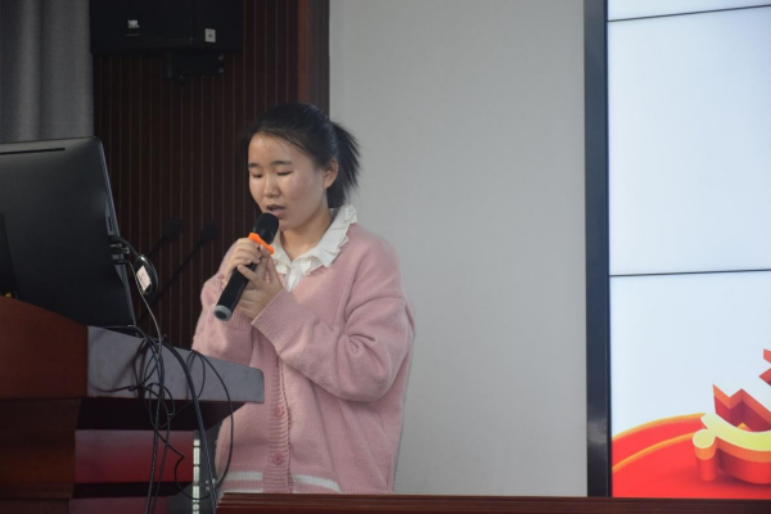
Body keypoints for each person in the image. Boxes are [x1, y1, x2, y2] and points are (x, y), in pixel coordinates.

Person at [192, 103, 414, 495]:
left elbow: (371, 372)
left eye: (282, 172)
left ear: (328, 172)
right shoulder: (240, 261)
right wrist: (237, 305)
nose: (267, 189)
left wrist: (275, 312)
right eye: (256, 174)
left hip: (338, 492)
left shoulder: (368, 257)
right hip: (244, 491)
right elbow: (208, 382)